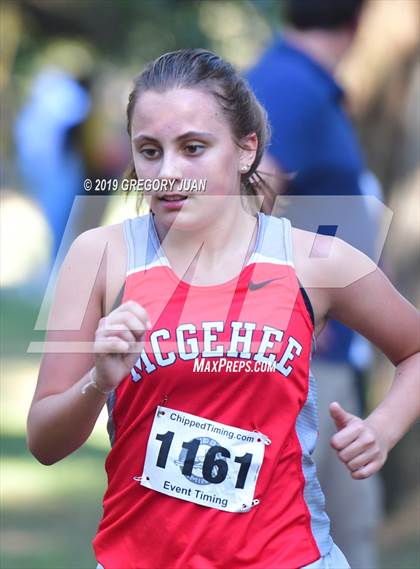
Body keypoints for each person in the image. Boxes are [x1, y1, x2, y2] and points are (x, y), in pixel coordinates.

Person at [27, 49, 419, 569]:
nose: (168, 172)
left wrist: (383, 428)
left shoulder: (315, 260)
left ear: (244, 149)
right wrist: (97, 382)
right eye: (149, 151)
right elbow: (44, 441)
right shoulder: (99, 256)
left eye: (193, 148)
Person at [246, 1, 384, 565]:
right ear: (357, 22)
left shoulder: (297, 80)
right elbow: (245, 187)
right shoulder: (290, 83)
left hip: (324, 355)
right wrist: (275, 298)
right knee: (322, 540)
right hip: (308, 362)